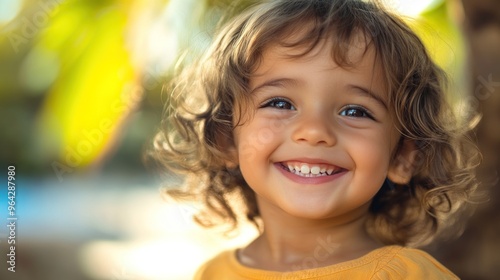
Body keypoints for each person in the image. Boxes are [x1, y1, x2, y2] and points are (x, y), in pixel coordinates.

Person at [151, 0, 479, 278]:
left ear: (403, 157)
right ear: (225, 139)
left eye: (355, 111)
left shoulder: (409, 274)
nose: (314, 131)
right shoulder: (213, 273)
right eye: (279, 103)